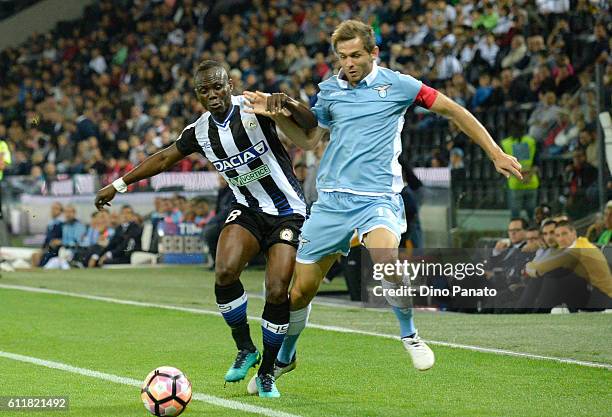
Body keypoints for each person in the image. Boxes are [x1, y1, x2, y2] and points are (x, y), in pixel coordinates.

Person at [243, 19, 522, 390]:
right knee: (299, 292)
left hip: (378, 199)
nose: (349, 63)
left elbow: (455, 110)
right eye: (343, 57)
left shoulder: (400, 85)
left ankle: (409, 334)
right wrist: (275, 114)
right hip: (331, 204)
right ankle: (285, 358)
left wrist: (495, 152)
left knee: (386, 260)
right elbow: (308, 140)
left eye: (356, 55)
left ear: (374, 52)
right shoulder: (329, 91)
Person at [94, 60, 312, 398]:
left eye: (218, 86)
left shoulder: (253, 107)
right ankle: (245, 348)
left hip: (288, 212)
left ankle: (268, 371)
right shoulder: (199, 131)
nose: (213, 94)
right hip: (249, 210)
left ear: (229, 84)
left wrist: (288, 103)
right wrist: (119, 184)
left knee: (276, 289)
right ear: (197, 95)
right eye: (204, 90)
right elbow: (164, 158)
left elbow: (310, 127)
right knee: (224, 272)